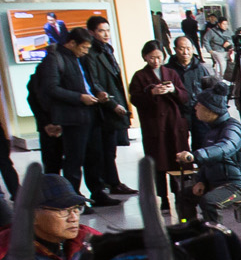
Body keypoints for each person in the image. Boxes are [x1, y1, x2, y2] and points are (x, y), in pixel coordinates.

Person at [32, 26, 119, 203]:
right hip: (72, 117)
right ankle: (73, 197)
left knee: (95, 156)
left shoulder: (83, 59)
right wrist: (79, 97)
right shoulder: (55, 59)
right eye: (84, 47)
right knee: (74, 160)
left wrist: (99, 93)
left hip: (92, 114)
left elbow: (91, 82)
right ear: (72, 43)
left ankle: (98, 192)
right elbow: (51, 89)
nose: (86, 51)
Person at [177, 81, 241, 226]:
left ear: (210, 110)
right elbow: (209, 161)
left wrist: (195, 156)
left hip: (238, 185)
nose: (195, 108)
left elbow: (224, 148)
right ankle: (188, 227)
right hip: (217, 182)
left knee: (210, 202)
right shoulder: (213, 129)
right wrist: (201, 180)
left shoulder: (233, 128)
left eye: (199, 105)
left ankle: (216, 239)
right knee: (184, 196)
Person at [127, 39, 191, 213]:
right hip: (154, 125)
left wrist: (173, 90)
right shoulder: (140, 76)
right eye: (151, 57)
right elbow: (135, 99)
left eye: (158, 57)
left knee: (176, 159)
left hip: (173, 123)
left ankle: (179, 193)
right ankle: (163, 197)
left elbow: (184, 96)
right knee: (159, 162)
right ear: (145, 57)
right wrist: (151, 92)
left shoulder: (171, 73)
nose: (156, 61)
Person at [82, 17, 133, 197]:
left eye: (107, 30)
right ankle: (108, 184)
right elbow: (95, 83)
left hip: (114, 103)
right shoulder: (90, 54)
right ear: (91, 33)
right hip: (103, 108)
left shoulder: (107, 49)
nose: (105, 34)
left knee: (110, 148)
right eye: (101, 31)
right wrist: (112, 104)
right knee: (103, 149)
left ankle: (113, 182)